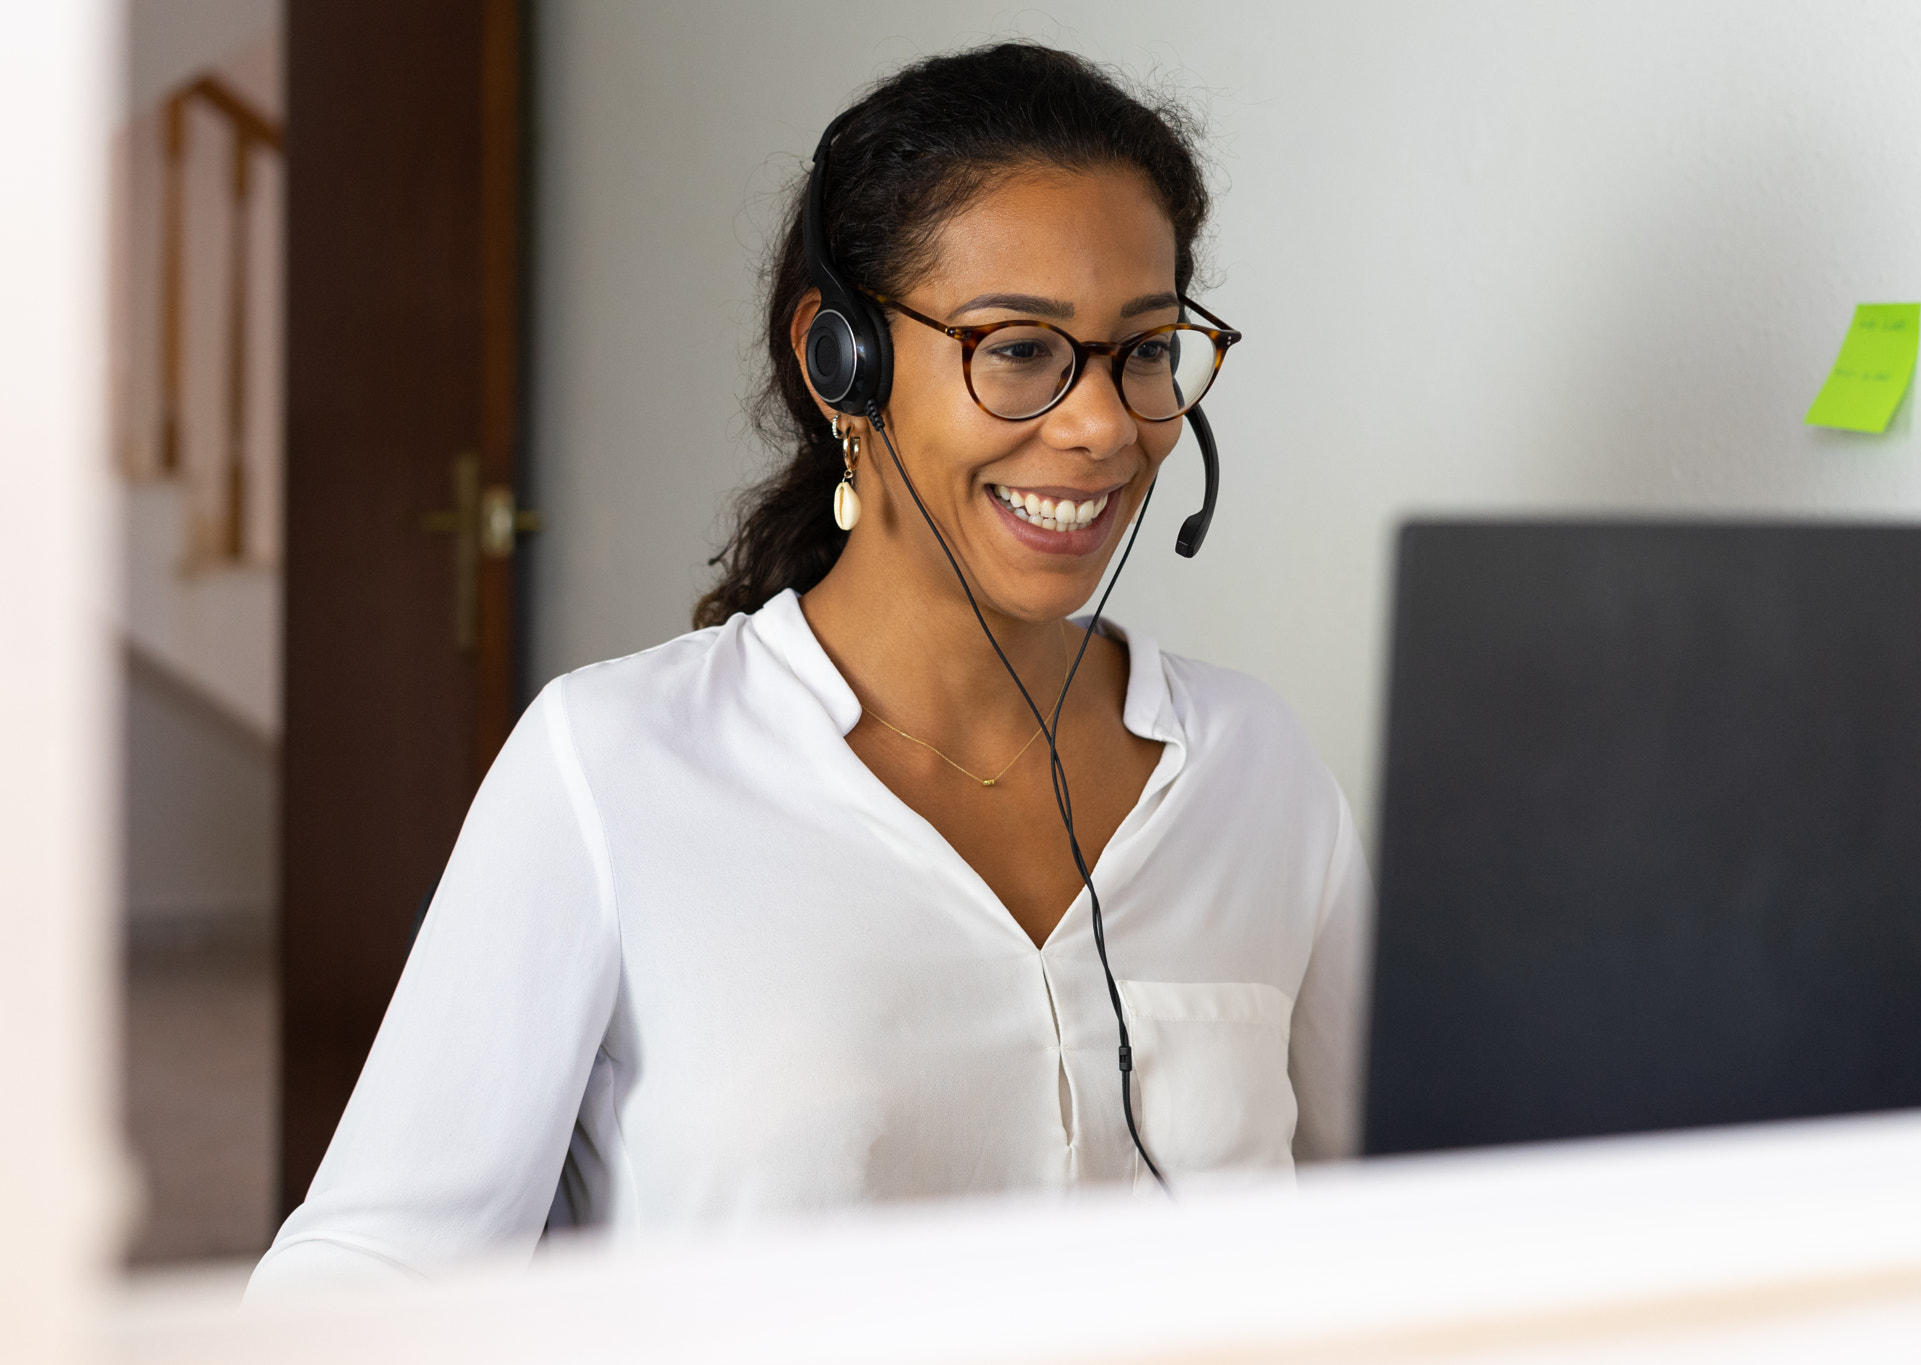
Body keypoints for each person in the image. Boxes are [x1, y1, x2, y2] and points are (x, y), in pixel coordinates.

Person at [249, 41, 1366, 1292]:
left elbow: (1422, 1210)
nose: (1104, 423)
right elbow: (372, 1264)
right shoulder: (614, 763)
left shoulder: (1255, 769)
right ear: (839, 363)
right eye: (1016, 349)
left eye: (1146, 348)